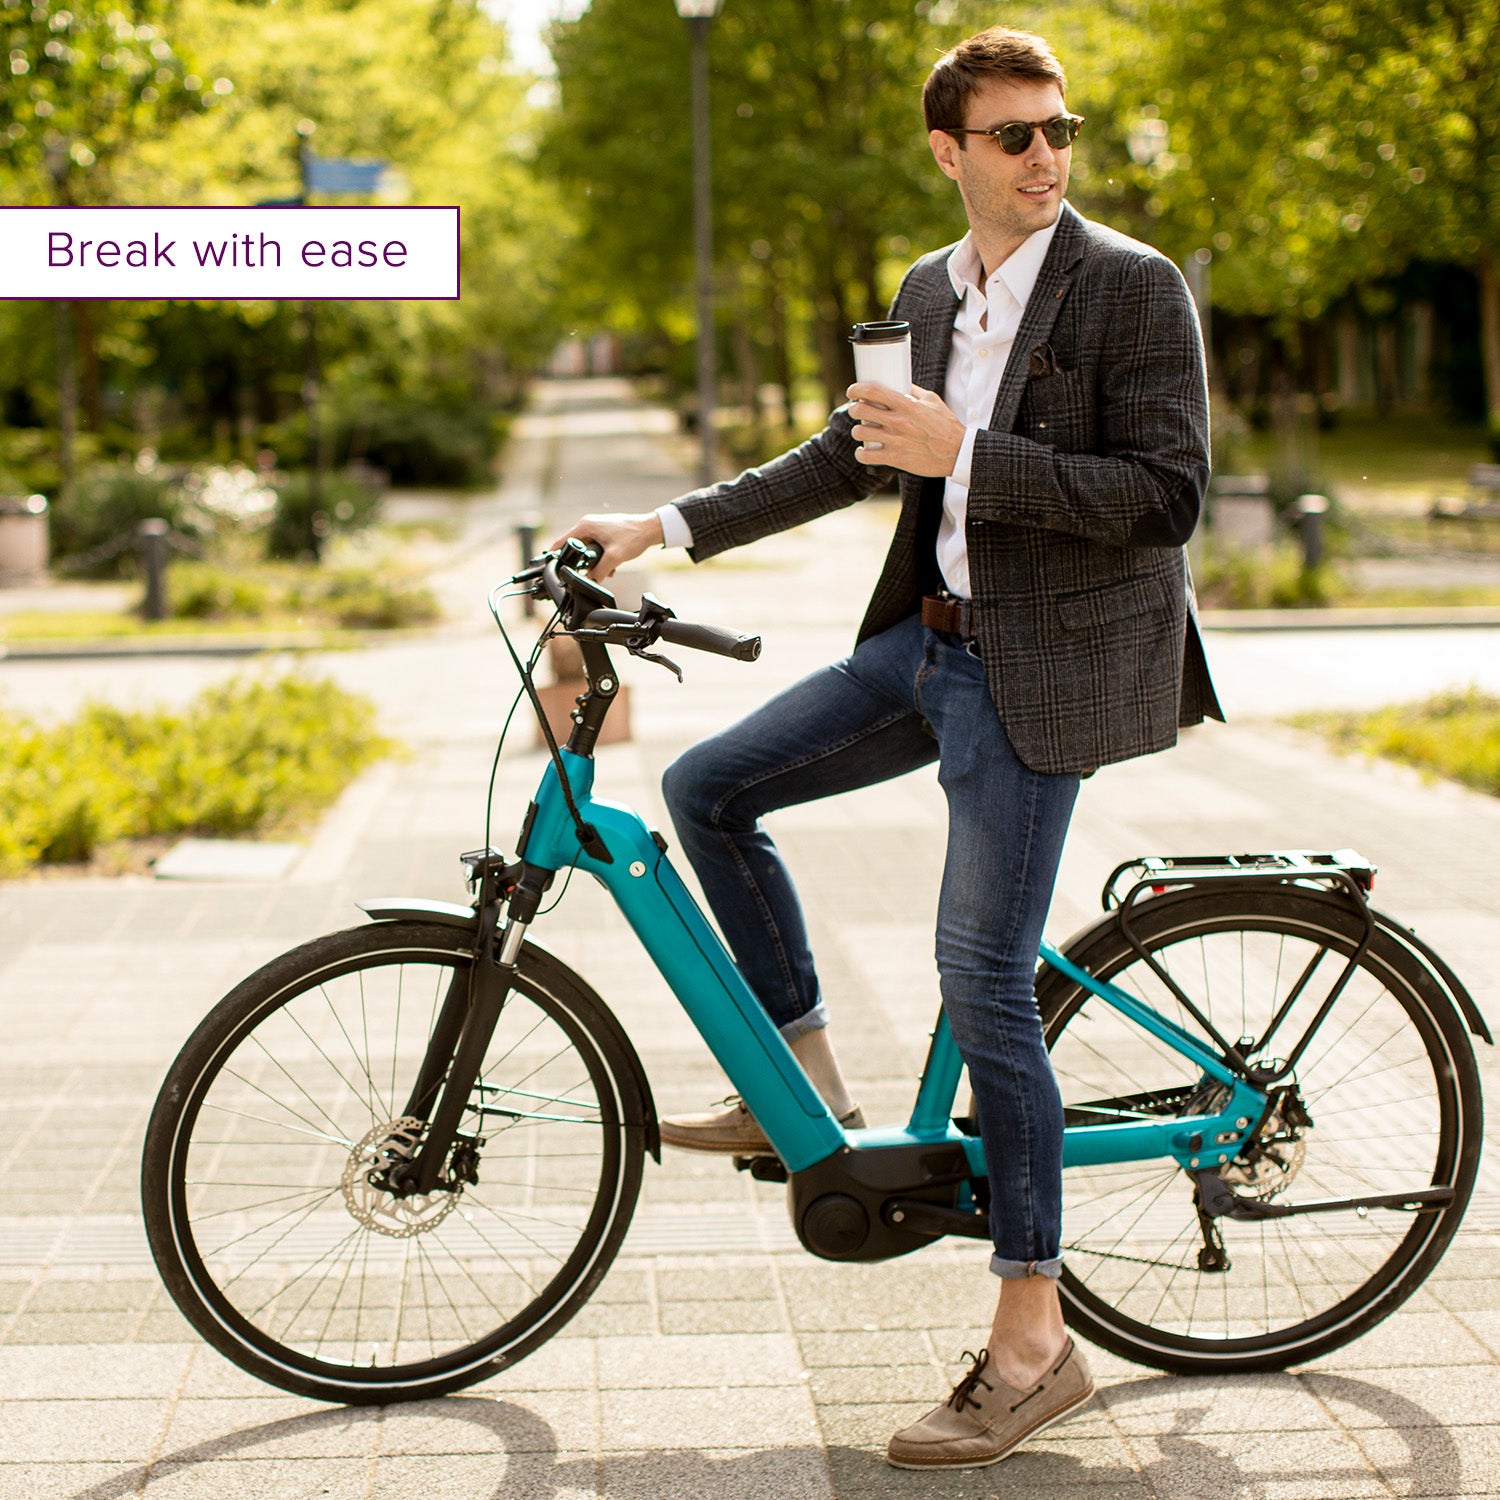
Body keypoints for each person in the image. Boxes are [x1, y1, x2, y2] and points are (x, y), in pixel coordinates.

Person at [551, 24, 1221, 1470]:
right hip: (927, 643)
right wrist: (659, 527)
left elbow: (1169, 496)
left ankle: (1035, 1346)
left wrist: (968, 454)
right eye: (1014, 136)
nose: (1047, 155)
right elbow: (848, 453)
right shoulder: (931, 288)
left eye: (1061, 130)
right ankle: (805, 1069)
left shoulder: (1131, 288)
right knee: (706, 786)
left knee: (981, 979)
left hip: (1045, 673)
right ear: (949, 153)